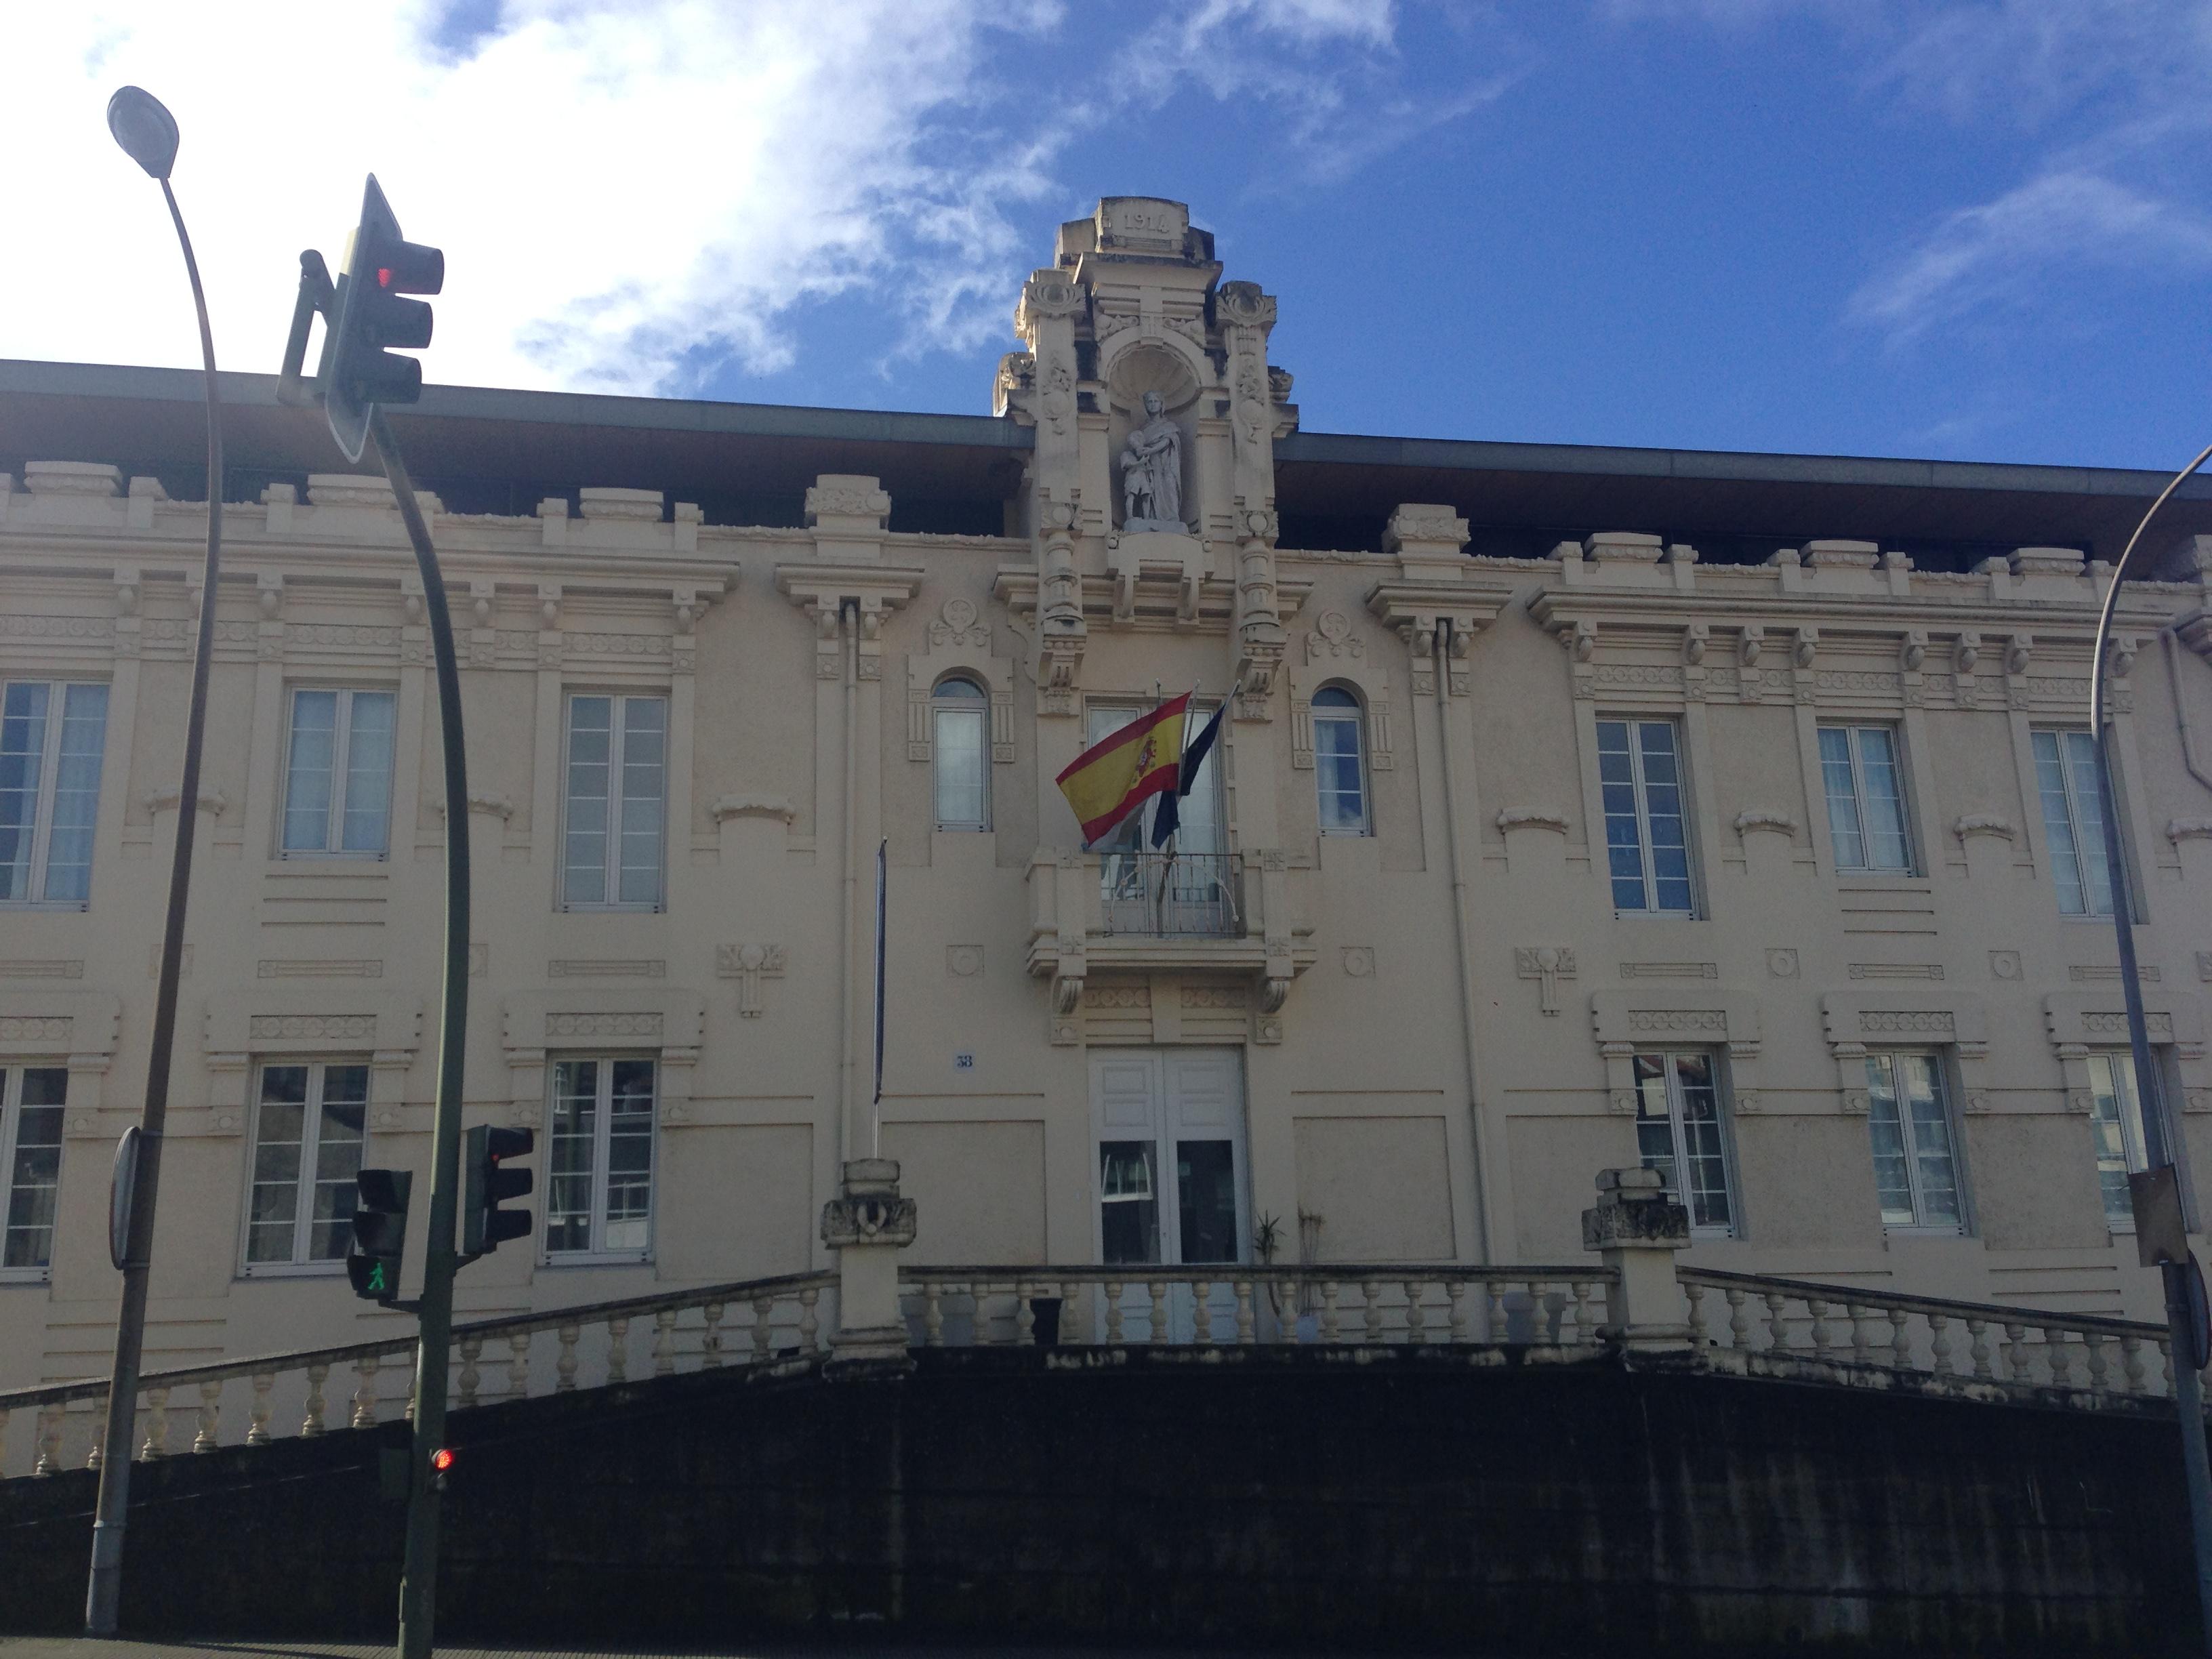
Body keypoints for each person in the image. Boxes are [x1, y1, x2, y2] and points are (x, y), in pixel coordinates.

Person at [1119, 390, 1184, 530]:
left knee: (1169, 485)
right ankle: (1150, 517)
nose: (1153, 405)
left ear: (1162, 404)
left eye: (1156, 401)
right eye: (1149, 402)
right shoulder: (1144, 430)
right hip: (1149, 466)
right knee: (1148, 492)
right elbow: (1137, 447)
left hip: (1166, 464)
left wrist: (1151, 450)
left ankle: (1172, 518)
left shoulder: (1168, 425)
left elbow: (1169, 441)